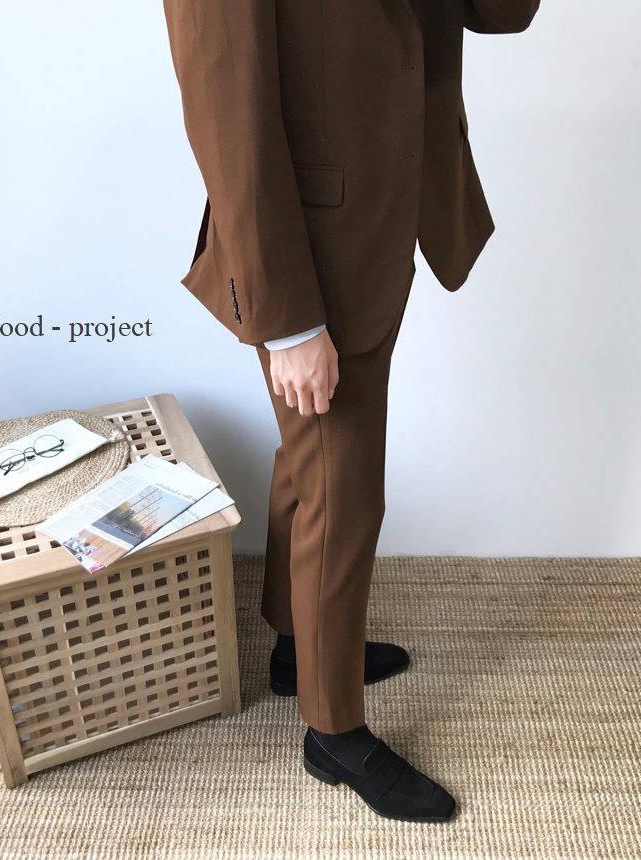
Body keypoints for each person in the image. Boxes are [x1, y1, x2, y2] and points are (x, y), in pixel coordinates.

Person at [163, 0, 541, 823]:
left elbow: (501, 13)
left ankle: (297, 647)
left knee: (314, 459)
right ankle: (331, 731)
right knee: (346, 489)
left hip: (384, 208)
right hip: (306, 249)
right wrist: (287, 320)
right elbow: (223, 106)